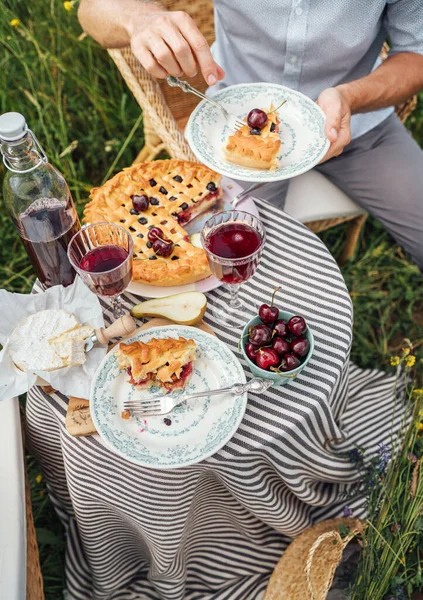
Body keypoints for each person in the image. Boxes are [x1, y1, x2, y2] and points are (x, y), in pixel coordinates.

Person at [78, 0, 423, 268]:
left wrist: (350, 97)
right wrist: (140, 20)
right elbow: (92, 8)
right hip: (232, 123)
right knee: (223, 257)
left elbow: (417, 53)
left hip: (360, 122)